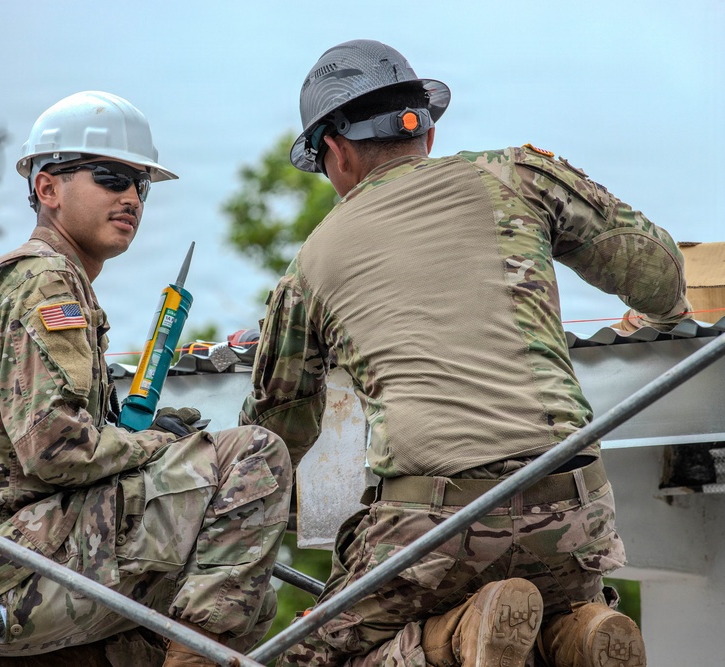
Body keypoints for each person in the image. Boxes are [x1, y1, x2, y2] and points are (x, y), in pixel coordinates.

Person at [240, 40, 691, 667]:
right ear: (424, 129)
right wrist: (665, 316)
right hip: (573, 506)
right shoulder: (516, 175)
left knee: (313, 655)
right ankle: (580, 633)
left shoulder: (310, 264)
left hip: (435, 527)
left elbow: (274, 438)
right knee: (540, 609)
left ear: (335, 154)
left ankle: (452, 640)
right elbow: (660, 273)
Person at [0, 91, 292, 667]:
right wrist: (157, 446)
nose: (131, 197)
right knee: (253, 460)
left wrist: (137, 439)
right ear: (48, 189)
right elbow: (57, 447)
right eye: (111, 176)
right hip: (11, 571)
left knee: (248, 591)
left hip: (0, 575)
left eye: (142, 185)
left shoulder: (43, 284)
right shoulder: (44, 280)